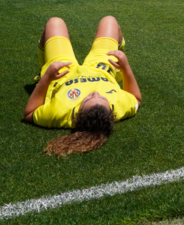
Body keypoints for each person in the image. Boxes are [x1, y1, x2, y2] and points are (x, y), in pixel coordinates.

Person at [24, 16, 141, 156]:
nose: (96, 93)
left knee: (54, 22)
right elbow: (136, 98)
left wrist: (47, 78)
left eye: (89, 97)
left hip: (62, 72)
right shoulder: (118, 106)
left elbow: (29, 113)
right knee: (109, 21)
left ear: (78, 113)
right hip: (101, 68)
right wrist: (125, 67)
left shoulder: (61, 111)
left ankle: (42, 70)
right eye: (103, 98)